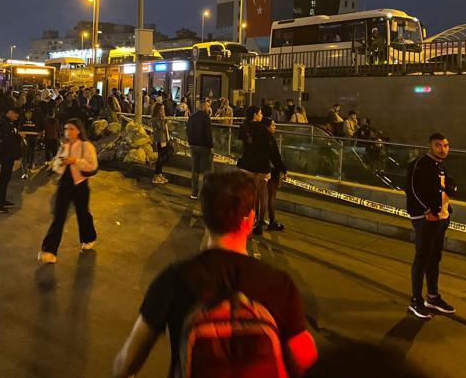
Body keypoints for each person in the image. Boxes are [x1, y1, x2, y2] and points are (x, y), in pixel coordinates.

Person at [112, 170, 317, 378]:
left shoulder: (173, 280)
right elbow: (305, 355)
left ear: (205, 216)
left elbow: (126, 363)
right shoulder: (279, 284)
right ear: (250, 219)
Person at [405, 132, 457, 319]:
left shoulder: (440, 165)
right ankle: (416, 300)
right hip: (425, 219)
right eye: (438, 145)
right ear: (430, 146)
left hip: (441, 218)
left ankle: (433, 297)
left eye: (445, 145)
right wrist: (426, 212)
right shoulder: (420, 164)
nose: (443, 149)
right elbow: (411, 189)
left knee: (434, 257)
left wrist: (446, 209)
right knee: (422, 258)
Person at [38, 118, 98, 264]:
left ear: (78, 130)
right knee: (59, 216)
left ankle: (89, 238)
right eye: (66, 129)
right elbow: (57, 166)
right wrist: (60, 162)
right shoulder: (64, 145)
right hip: (65, 184)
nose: (68, 132)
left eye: (71, 129)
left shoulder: (86, 146)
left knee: (82, 213)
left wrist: (76, 161)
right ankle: (50, 250)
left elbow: (93, 166)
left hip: (80, 185)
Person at [236, 106, 283, 236]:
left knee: (248, 195)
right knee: (262, 196)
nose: (261, 115)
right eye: (260, 113)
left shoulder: (244, 127)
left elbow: (241, 144)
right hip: (261, 166)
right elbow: (272, 151)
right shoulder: (263, 129)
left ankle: (245, 221)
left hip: (246, 164)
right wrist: (281, 167)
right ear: (256, 115)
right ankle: (259, 223)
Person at [0, 106, 21, 213]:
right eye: (15, 113)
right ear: (9, 112)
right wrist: (18, 137)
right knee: (3, 180)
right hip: (5, 155)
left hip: (9, 155)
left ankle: (2, 200)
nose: (17, 116)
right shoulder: (3, 124)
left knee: (6, 179)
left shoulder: (8, 123)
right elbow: (7, 140)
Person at [264, 117, 288, 231]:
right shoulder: (269, 139)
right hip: (271, 171)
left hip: (262, 169)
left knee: (263, 196)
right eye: (273, 125)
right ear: (267, 127)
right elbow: (276, 157)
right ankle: (272, 220)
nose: (275, 127)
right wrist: (284, 169)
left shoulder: (259, 137)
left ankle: (259, 220)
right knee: (271, 196)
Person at [186, 99, 213, 199]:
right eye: (207, 106)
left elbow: (188, 130)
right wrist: (210, 146)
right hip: (204, 147)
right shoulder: (206, 118)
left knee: (195, 169)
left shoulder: (192, 117)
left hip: (193, 146)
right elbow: (208, 133)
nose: (208, 108)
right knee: (207, 169)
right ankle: (205, 192)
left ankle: (194, 192)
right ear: (204, 106)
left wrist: (190, 142)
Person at [19, 90, 44, 179]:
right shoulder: (37, 109)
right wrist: (41, 131)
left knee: (24, 152)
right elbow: (41, 121)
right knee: (32, 149)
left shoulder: (22, 108)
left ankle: (24, 170)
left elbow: (19, 120)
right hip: (34, 132)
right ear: (33, 99)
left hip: (23, 132)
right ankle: (30, 165)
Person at [151, 102, 171, 185]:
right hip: (159, 140)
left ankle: (160, 174)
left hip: (163, 140)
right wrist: (164, 121)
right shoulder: (155, 119)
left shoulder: (161, 118)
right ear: (158, 110)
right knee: (160, 158)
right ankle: (156, 176)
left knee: (163, 157)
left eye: (163, 109)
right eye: (162, 109)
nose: (163, 110)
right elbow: (161, 128)